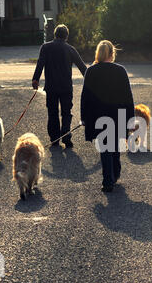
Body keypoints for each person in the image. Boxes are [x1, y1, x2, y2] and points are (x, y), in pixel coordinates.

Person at [80, 40, 135, 192]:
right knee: (115, 145)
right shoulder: (120, 70)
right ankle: (115, 173)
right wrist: (131, 118)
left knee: (105, 147)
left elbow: (85, 97)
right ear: (112, 54)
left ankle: (107, 180)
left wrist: (84, 117)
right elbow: (128, 97)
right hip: (118, 114)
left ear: (98, 53)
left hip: (98, 115)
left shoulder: (91, 71)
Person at [32, 24, 87, 148]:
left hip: (51, 86)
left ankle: (54, 139)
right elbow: (82, 67)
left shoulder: (45, 47)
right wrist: (91, 80)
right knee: (66, 112)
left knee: (52, 113)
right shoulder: (70, 49)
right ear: (66, 36)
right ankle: (66, 136)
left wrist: (35, 79)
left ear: (55, 35)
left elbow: (40, 64)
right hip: (66, 87)